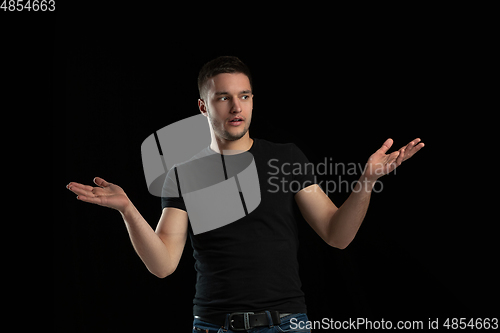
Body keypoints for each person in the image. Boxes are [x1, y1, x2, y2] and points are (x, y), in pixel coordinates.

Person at [66, 56, 424, 332]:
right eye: (223, 97)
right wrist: (128, 209)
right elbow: (163, 265)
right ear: (204, 106)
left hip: (287, 323)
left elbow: (337, 235)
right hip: (214, 324)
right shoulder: (183, 174)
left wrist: (367, 180)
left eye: (244, 96)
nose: (236, 107)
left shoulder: (285, 157)